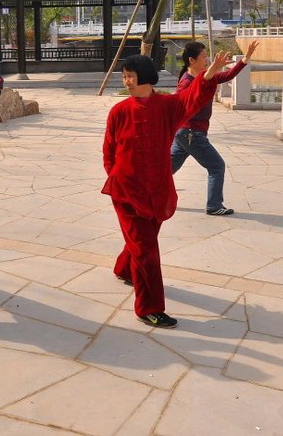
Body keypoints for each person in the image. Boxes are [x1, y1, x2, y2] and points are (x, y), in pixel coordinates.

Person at [103, 51, 232, 329]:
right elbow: (109, 151)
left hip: (157, 190)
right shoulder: (119, 111)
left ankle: (124, 268)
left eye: (130, 76)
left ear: (145, 77)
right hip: (126, 192)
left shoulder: (168, 107)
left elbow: (192, 98)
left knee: (143, 241)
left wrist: (209, 74)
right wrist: (116, 176)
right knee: (147, 250)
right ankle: (148, 308)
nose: (126, 81)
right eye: (124, 76)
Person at [170, 39, 260, 216]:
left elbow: (227, 76)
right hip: (191, 133)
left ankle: (141, 191)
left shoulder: (205, 76)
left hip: (185, 134)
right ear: (192, 60)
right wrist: (213, 69)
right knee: (217, 167)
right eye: (204, 56)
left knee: (166, 169)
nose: (207, 59)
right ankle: (214, 205)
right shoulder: (186, 82)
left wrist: (246, 58)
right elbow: (183, 101)